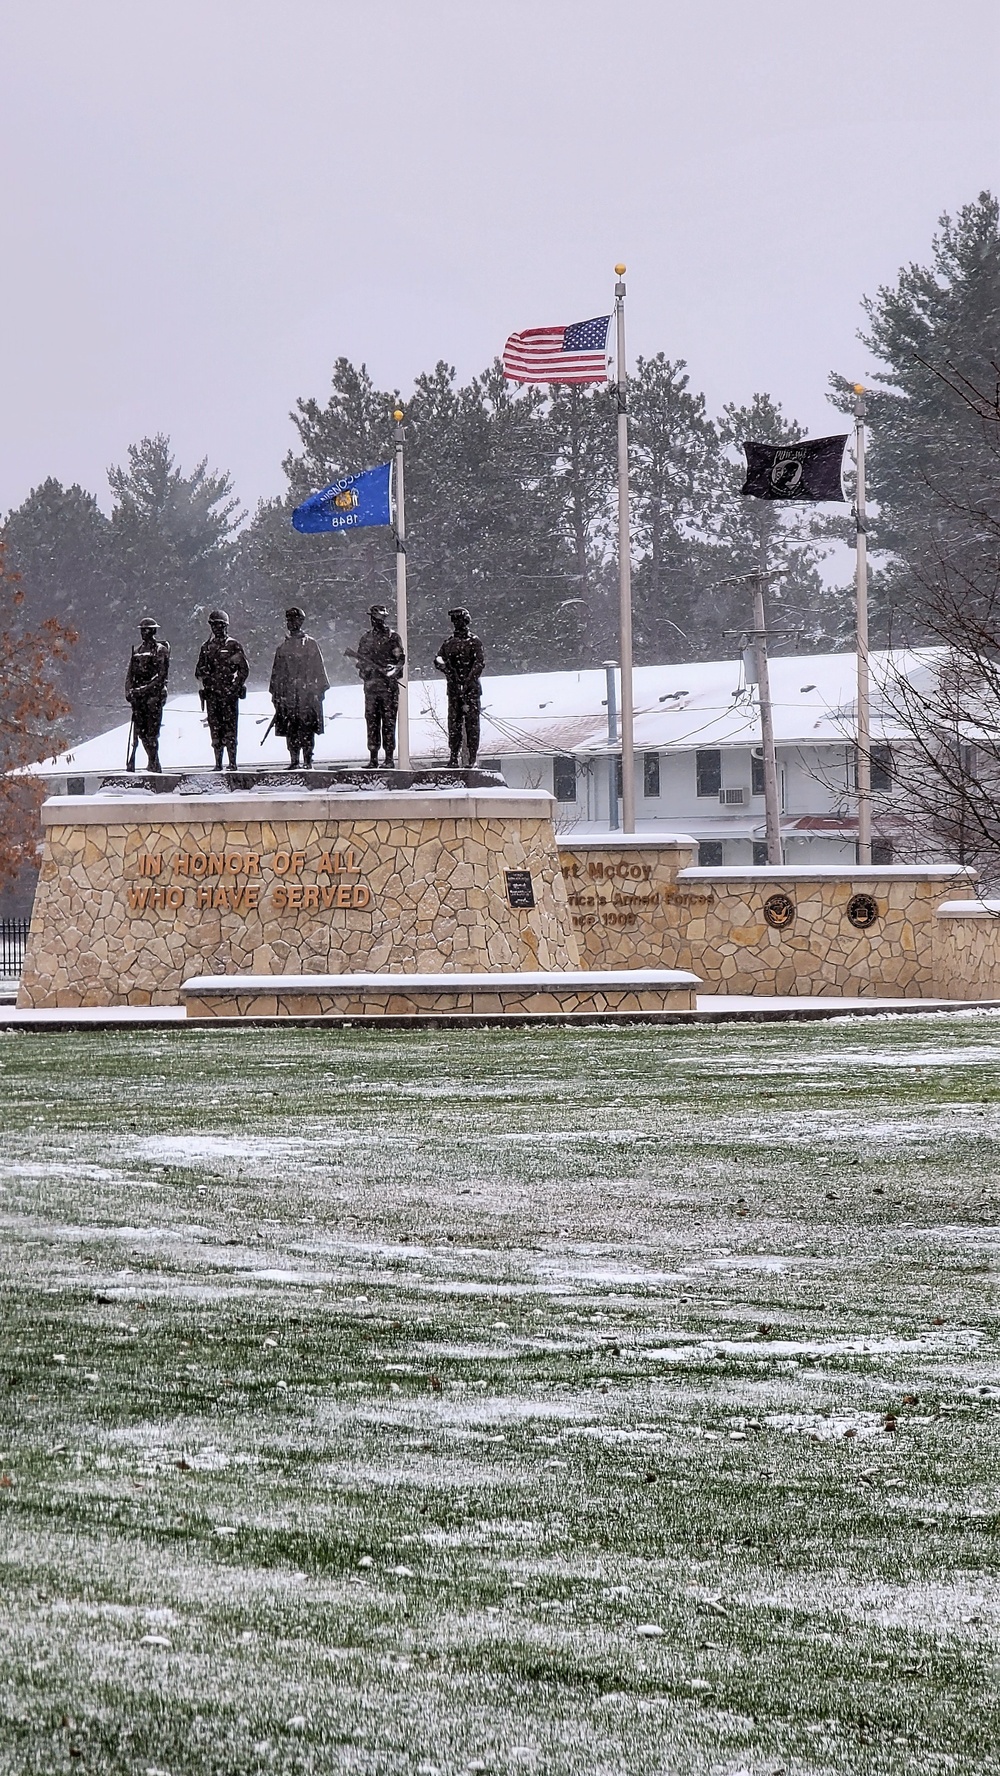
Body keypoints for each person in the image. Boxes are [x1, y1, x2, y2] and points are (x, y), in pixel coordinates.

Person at [268, 607, 329, 768]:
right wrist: (277, 695)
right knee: (291, 729)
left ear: (301, 622)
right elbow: (276, 674)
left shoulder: (311, 644)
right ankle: (294, 760)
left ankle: (308, 760)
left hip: (307, 696)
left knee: (307, 729)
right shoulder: (282, 648)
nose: (291, 623)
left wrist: (317, 691)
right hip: (289, 697)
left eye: (294, 620)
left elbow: (319, 671)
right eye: (289, 620)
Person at [195, 610, 249, 771]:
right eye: (213, 625)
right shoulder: (206, 648)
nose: (216, 628)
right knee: (215, 730)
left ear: (225, 626)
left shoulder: (233, 645)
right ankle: (218, 763)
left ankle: (232, 762)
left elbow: (244, 669)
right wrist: (204, 673)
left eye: (220, 625)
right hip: (213, 694)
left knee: (230, 729)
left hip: (228, 694)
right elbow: (197, 672)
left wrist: (235, 686)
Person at [354, 603, 405, 768]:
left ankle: (389, 758)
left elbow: (400, 661)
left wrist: (391, 670)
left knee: (389, 723)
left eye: (379, 618)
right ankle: (373, 757)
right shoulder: (365, 639)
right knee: (372, 723)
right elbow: (359, 662)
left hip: (388, 689)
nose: (376, 621)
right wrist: (366, 669)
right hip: (371, 688)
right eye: (374, 618)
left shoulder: (393, 637)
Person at [434, 606, 485, 767]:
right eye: (455, 621)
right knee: (454, 725)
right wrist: (449, 672)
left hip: (471, 690)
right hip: (454, 690)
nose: (457, 624)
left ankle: (472, 758)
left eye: (460, 620)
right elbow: (438, 660)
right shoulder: (449, 643)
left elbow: (479, 663)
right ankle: (453, 757)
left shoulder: (474, 641)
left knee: (472, 725)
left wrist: (468, 681)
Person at [125, 618, 170, 773]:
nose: (145, 633)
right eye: (143, 630)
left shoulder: (160, 650)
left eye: (148, 630)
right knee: (141, 733)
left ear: (154, 631)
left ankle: (153, 762)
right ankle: (153, 762)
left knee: (152, 733)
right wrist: (129, 691)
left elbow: (160, 676)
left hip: (153, 697)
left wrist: (143, 690)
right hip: (139, 699)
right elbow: (130, 674)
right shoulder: (136, 651)